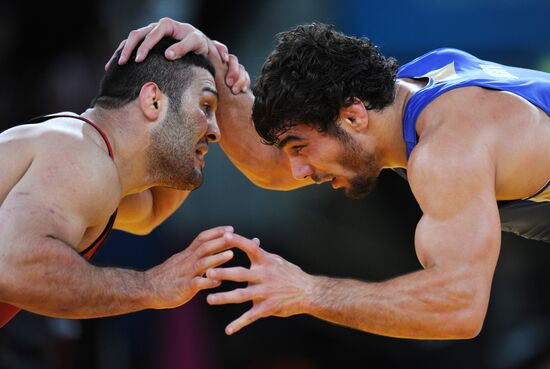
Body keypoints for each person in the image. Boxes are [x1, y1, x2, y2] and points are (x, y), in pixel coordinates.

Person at [116, 18, 550, 340]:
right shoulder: (407, 91)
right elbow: (273, 166)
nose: (300, 170)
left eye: (301, 148)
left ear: (353, 114)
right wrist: (209, 59)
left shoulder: (446, 152)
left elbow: (459, 308)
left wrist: (307, 291)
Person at [0, 36, 258, 328]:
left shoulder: (85, 151)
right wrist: (153, 286)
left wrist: (211, 59)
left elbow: (149, 213)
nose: (216, 132)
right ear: (153, 100)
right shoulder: (81, 154)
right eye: (206, 106)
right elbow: (15, 267)